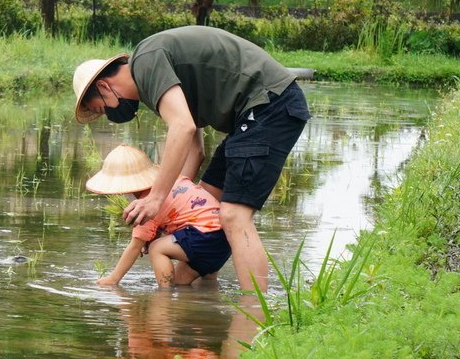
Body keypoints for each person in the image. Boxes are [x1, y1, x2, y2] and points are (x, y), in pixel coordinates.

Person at [73, 26, 310, 292]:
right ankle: (201, 296)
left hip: (269, 104)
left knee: (233, 216)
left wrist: (156, 197)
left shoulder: (147, 61)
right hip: (252, 114)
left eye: (102, 108)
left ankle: (255, 312)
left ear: (104, 86)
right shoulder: (157, 79)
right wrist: (175, 208)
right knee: (204, 205)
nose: (109, 115)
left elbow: (183, 127)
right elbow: (195, 151)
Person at [86, 144, 231, 287]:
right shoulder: (173, 180)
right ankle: (207, 290)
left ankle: (164, 296)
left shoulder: (147, 204)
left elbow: (134, 247)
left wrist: (113, 279)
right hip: (224, 239)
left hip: (204, 236)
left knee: (156, 248)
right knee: (180, 284)